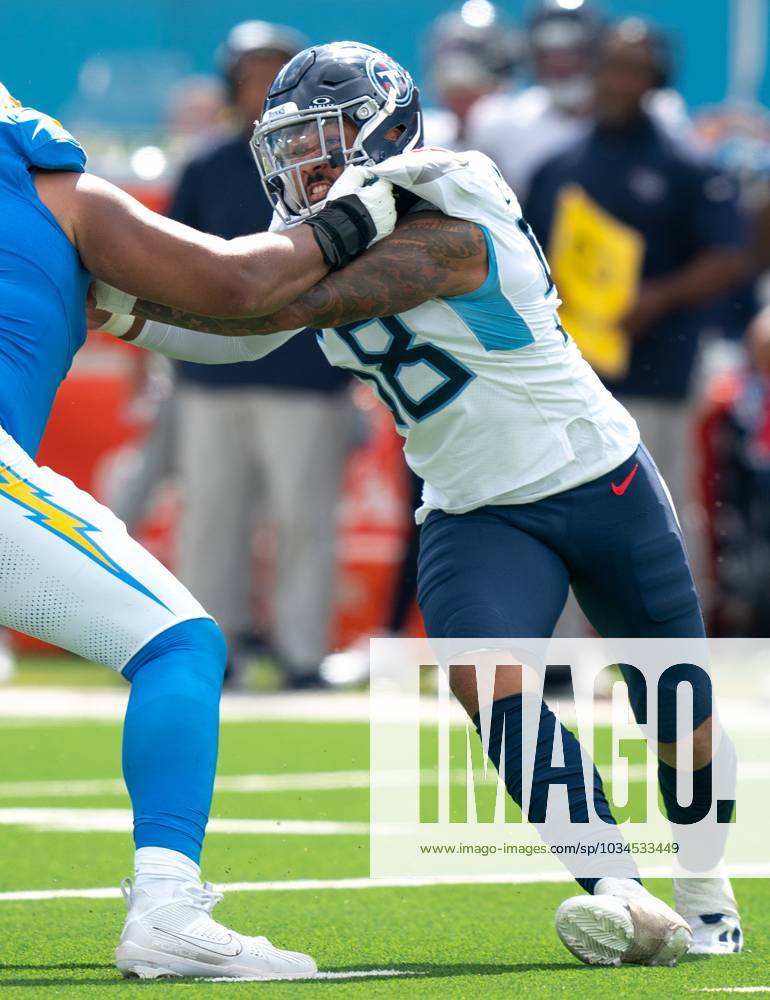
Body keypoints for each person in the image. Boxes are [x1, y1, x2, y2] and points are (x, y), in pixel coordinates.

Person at [96, 41, 742, 965]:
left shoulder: (453, 207)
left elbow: (253, 302)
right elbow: (241, 332)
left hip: (599, 480)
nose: (301, 163)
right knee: (489, 686)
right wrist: (117, 314)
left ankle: (707, 888)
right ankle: (619, 891)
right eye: (288, 145)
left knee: (676, 706)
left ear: (383, 128)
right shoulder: (342, 233)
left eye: (320, 138)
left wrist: (108, 260)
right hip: (474, 506)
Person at [0, 79, 397, 980]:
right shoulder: (61, 193)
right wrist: (359, 216)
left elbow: (233, 327)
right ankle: (167, 908)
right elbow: (234, 289)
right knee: (179, 643)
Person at [524, 18, 747, 585]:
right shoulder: (558, 166)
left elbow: (729, 257)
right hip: (568, 376)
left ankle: (671, 661)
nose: (618, 81)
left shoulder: (687, 166)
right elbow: (522, 259)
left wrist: (657, 296)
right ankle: (559, 666)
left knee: (658, 513)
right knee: (561, 512)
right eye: (610, 67)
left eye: (634, 69)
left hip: (657, 373)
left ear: (656, 80)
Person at [170, 21, 354, 688]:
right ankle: (208, 654)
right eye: (253, 76)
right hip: (211, 372)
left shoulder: (337, 165)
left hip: (306, 372)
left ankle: (304, 654)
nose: (264, 90)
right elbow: (167, 262)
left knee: (305, 521)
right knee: (211, 522)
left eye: (278, 77)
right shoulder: (206, 162)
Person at [421, 1, 521, 150]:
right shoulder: (428, 138)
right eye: (455, 95)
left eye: (468, 95)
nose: (460, 105)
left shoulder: (530, 126)